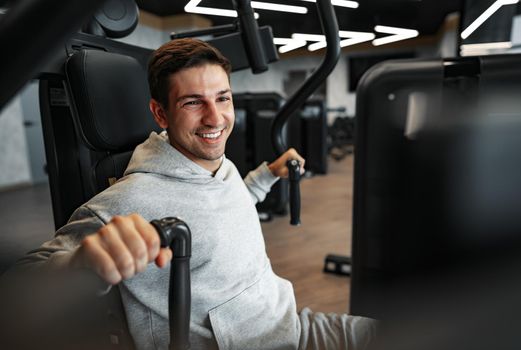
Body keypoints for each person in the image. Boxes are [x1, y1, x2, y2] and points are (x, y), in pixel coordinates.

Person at [10, 38, 375, 349]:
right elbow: (19, 290)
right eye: (193, 102)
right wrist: (80, 266)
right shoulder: (127, 201)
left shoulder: (217, 164)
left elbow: (222, 211)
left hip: (290, 325)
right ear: (161, 114)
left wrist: (268, 174)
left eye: (223, 98)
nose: (215, 118)